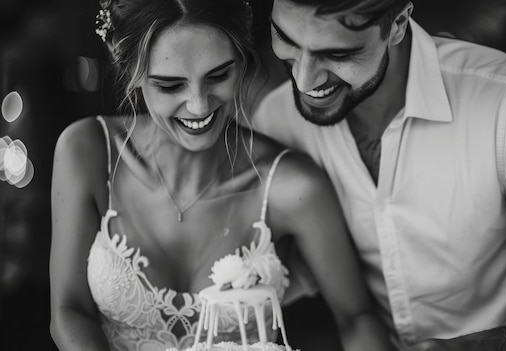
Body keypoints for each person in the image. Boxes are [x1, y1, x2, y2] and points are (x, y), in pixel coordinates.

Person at [251, 0, 506, 350]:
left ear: (397, 23)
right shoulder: (276, 120)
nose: (302, 80)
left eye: (337, 53)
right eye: (285, 40)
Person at [48, 0, 392, 350]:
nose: (199, 105)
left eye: (218, 76)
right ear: (130, 67)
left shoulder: (293, 187)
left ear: (242, 62)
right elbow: (68, 310)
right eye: (170, 85)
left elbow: (357, 318)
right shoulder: (86, 151)